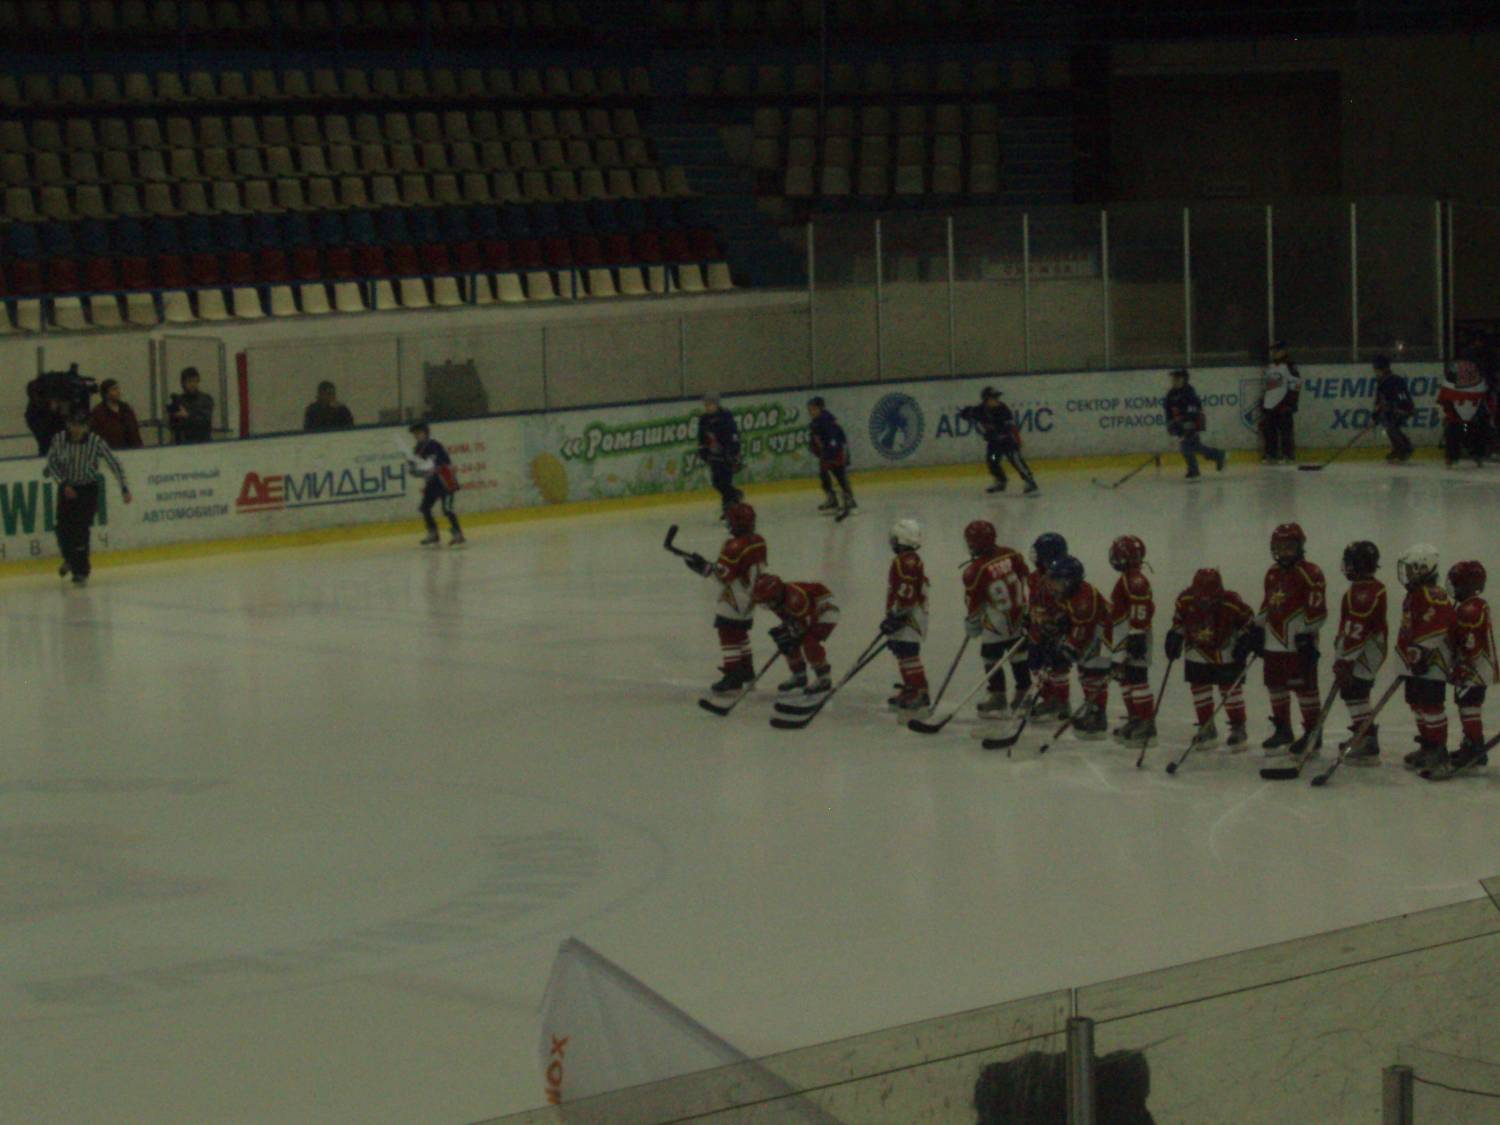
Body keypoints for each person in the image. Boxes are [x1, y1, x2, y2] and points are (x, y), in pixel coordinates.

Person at [1239, 523, 1326, 754]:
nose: (1284, 552)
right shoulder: (1272, 573)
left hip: (1298, 644)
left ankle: (1312, 733)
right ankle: (1283, 729)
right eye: (1279, 547)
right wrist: (1256, 627)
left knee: (1305, 689)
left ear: (1300, 546)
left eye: (1289, 547)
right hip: (1273, 642)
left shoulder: (1311, 572)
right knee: (1275, 685)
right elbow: (1267, 604)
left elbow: (1318, 610)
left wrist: (1307, 634)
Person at [682, 501, 765, 694]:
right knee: (740, 633)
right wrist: (708, 566)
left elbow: (723, 576)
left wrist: (703, 568)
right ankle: (747, 669)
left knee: (727, 633)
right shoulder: (759, 540)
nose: (728, 524)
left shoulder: (733, 546)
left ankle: (733, 673)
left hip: (735, 598)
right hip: (751, 597)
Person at [1166, 568, 1254, 751]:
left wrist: (1246, 640)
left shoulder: (1232, 602)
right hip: (1196, 651)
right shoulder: (1185, 600)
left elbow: (1248, 622)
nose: (1205, 599)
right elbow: (1179, 621)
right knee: (1200, 689)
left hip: (1226, 652)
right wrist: (1174, 636)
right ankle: (1206, 726)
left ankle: (1238, 727)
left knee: (1230, 690)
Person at [43, 409, 133, 585]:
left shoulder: (96, 442)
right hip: (67, 487)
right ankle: (70, 558)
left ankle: (81, 570)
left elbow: (114, 462)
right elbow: (51, 463)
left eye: (81, 426)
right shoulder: (59, 439)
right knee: (62, 528)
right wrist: (63, 483)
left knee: (81, 529)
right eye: (74, 425)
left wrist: (124, 487)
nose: (77, 429)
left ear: (86, 427)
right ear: (68, 425)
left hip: (87, 489)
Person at [1394, 545, 1456, 772]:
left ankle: (1439, 750)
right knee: (1417, 703)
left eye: (1412, 569)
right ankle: (1428, 746)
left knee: (1431, 705)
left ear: (1424, 568)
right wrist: (1407, 657)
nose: (1407, 573)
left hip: (1433, 662)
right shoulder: (1415, 594)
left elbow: (1439, 625)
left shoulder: (1433, 594)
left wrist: (1421, 651)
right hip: (1416, 661)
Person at [1034, 556, 1111, 738]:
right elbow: (1071, 619)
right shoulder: (1069, 593)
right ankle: (1092, 710)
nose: (1053, 585)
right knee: (1086, 673)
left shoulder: (1084, 599)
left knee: (1093, 674)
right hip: (1092, 633)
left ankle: (1097, 716)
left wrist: (1067, 650)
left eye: (1057, 581)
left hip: (1103, 636)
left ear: (1068, 581)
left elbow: (1081, 632)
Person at [961, 520, 1031, 717]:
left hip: (996, 621)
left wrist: (972, 623)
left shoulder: (974, 570)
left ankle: (997, 696)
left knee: (990, 655)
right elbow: (1027, 578)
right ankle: (1024, 693)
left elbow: (974, 602)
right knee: (1019, 655)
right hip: (1020, 615)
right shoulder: (1012, 554)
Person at [1330, 541, 1388, 765]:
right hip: (1363, 650)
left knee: (1355, 690)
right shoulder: (1366, 588)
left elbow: (1358, 627)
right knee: (1354, 692)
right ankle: (1363, 735)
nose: (1346, 566)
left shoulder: (1364, 592)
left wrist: (1345, 660)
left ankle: (1366, 740)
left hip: (1365, 651)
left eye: (1350, 561)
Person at [1442, 560, 1495, 777]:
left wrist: (1463, 665)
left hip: (1474, 669)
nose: (1453, 587)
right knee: (1466, 704)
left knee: (1469, 705)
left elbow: (1471, 643)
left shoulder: (1471, 608)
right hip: (1474, 668)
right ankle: (1471, 744)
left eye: (1456, 583)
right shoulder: (1472, 605)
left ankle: (1475, 747)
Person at [750, 573, 839, 696]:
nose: (768, 605)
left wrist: (795, 632)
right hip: (805, 613)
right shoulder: (777, 599)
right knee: (786, 639)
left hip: (825, 611)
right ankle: (799, 675)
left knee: (809, 641)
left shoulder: (795, 598)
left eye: (769, 601)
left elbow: (805, 623)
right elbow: (790, 620)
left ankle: (823, 677)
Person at [1106, 535, 1156, 747]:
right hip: (1124, 635)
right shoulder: (1128, 578)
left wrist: (1136, 634)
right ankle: (1135, 718)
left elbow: (1141, 608)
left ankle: (1146, 723)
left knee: (1137, 678)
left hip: (1134, 636)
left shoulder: (1134, 580)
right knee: (1125, 679)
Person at [880, 518, 931, 713]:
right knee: (901, 651)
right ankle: (911, 688)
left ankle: (920, 692)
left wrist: (897, 616)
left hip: (910, 617)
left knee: (909, 653)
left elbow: (907, 593)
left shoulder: (904, 562)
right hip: (908, 614)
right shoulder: (910, 559)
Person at [958, 386, 1038, 495]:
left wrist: (1016, 439)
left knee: (1015, 460)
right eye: (993, 398)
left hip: (1008, 442)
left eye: (997, 398)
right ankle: (1000, 481)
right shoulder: (980, 410)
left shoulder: (1003, 409)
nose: (996, 400)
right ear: (986, 399)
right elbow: (969, 413)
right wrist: (965, 413)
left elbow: (1010, 427)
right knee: (992, 460)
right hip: (994, 444)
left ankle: (1029, 481)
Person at [1026, 532, 1071, 718]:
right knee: (1036, 665)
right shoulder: (1033, 577)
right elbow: (1034, 601)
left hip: (1055, 633)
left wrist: (1059, 623)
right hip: (1037, 631)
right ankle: (1047, 698)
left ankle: (1061, 701)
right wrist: (1028, 617)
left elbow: (1066, 606)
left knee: (1057, 667)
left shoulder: (1063, 578)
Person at [408, 421, 465, 548]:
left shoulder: (434, 445)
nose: (416, 436)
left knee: (447, 509)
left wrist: (428, 468)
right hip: (432, 483)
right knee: (425, 507)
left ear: (426, 433)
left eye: (419, 433)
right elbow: (416, 468)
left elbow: (439, 463)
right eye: (414, 434)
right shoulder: (417, 449)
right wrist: (414, 468)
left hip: (445, 482)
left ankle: (458, 534)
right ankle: (433, 533)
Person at [1162, 368, 1226, 479]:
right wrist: (1171, 423)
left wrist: (1189, 424)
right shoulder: (1171, 394)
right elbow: (1168, 410)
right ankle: (1216, 456)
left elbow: (1195, 408)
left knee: (1187, 446)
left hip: (1193, 422)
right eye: (1173, 379)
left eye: (1177, 378)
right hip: (1180, 423)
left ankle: (1196, 467)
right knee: (1194, 446)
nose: (1174, 381)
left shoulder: (1189, 391)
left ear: (1184, 379)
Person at [696, 392, 743, 521]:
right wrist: (703, 451)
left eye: (710, 404)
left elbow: (733, 435)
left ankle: (729, 507)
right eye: (706, 405)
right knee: (717, 482)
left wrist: (733, 452)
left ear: (716, 404)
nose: (707, 407)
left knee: (725, 481)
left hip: (726, 455)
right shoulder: (704, 419)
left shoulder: (725, 416)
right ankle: (734, 497)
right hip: (714, 456)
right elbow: (701, 437)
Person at [1437, 356, 1490, 467]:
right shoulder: (1451, 386)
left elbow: (1485, 401)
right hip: (1456, 417)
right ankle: (1455, 456)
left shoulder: (1477, 385)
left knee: (1472, 431)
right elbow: (1444, 401)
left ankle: (1475, 454)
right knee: (1455, 432)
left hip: (1468, 417)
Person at [807, 396, 855, 516]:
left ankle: (850, 501)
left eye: (813, 409)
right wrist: (816, 449)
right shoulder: (815, 423)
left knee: (839, 475)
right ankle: (833, 500)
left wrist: (831, 453)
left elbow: (834, 438)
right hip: (826, 453)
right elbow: (816, 439)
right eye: (810, 409)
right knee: (824, 475)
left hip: (836, 452)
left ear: (820, 408)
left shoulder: (826, 421)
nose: (811, 412)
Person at [1259, 342, 1301, 463]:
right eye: (1273, 351)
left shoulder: (1290, 366)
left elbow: (1296, 385)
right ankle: (1271, 454)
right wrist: (1264, 401)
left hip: (1283, 404)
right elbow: (1267, 386)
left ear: (1283, 351)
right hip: (1270, 404)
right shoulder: (1270, 367)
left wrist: (1290, 403)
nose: (1274, 353)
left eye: (1276, 351)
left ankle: (1288, 455)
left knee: (1285, 431)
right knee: (1269, 431)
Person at [1371, 355, 1414, 463]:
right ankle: (1399, 448)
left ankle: (1404, 448)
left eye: (1377, 370)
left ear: (1383, 369)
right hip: (1393, 409)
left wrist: (1396, 408)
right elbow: (1379, 400)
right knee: (1388, 425)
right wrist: (1376, 413)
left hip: (1402, 408)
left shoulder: (1394, 380)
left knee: (1390, 425)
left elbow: (1401, 397)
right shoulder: (1382, 382)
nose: (1375, 373)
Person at [88, 379, 144, 450]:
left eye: (118, 388)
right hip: (109, 450)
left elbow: (135, 432)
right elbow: (95, 435)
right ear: (106, 394)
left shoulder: (126, 409)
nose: (118, 392)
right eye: (114, 389)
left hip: (130, 450)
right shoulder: (98, 412)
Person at [168, 367, 215, 444]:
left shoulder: (206, 399)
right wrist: (174, 415)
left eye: (195, 381)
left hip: (203, 442)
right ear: (183, 383)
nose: (193, 384)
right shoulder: (179, 401)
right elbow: (173, 426)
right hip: (183, 443)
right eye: (189, 381)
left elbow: (205, 421)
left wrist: (187, 416)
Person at [25, 378, 67, 456]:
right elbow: (44, 434)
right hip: (49, 451)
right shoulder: (33, 412)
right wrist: (54, 412)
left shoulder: (36, 409)